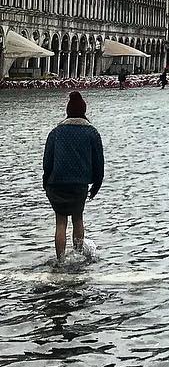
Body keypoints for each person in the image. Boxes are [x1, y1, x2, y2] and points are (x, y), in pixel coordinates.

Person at [42, 91, 105, 263]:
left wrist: (46, 182)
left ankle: (60, 260)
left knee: (60, 222)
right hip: (79, 184)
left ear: (68, 111)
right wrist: (97, 185)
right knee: (78, 218)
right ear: (84, 111)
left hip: (57, 184)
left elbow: (47, 160)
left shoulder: (56, 132)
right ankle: (78, 256)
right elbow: (99, 162)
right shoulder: (92, 133)